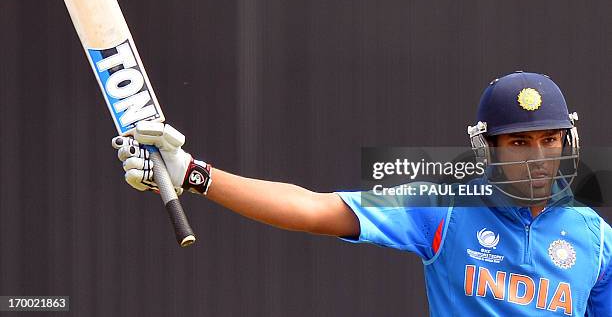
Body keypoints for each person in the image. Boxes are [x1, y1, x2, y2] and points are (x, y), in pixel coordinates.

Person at [113, 71, 611, 316]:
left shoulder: (595, 238)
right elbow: (315, 208)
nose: (538, 157)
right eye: (519, 143)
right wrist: (196, 174)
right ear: (488, 151)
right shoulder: (446, 208)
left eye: (550, 140)